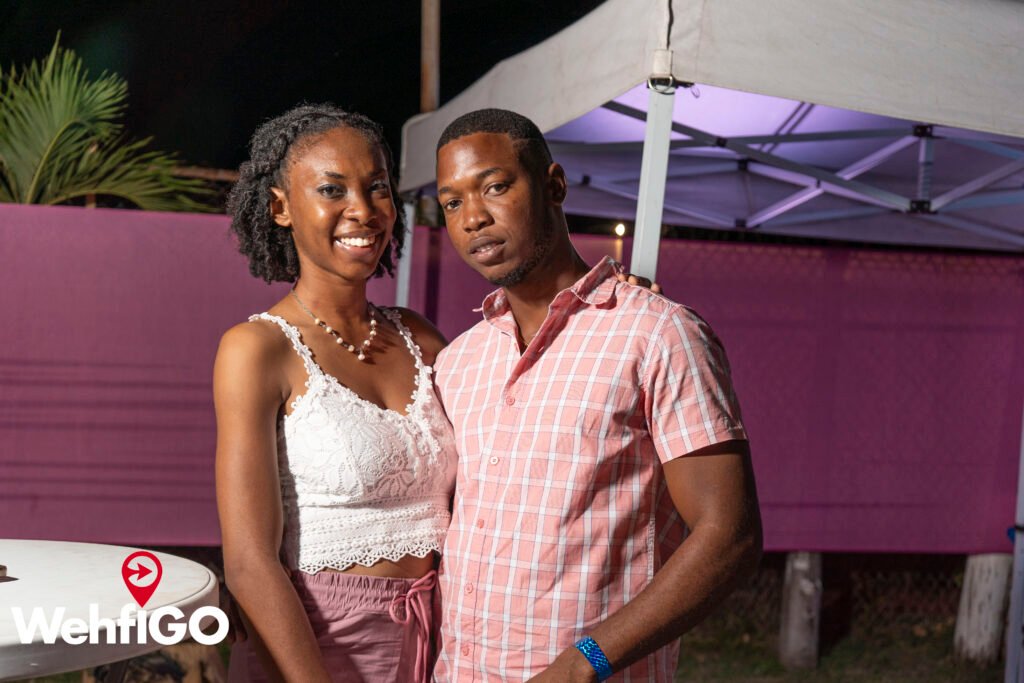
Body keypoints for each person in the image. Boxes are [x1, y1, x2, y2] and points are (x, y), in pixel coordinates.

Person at [431, 108, 763, 682]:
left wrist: (588, 661)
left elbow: (729, 537)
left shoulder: (658, 334)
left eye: (495, 186)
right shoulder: (458, 361)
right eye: (452, 202)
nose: (473, 218)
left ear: (554, 186)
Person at [213, 104, 457, 683]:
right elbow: (249, 562)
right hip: (316, 644)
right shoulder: (257, 349)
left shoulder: (421, 338)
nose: (364, 210)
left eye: (378, 188)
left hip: (439, 637)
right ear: (280, 208)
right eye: (332, 189)